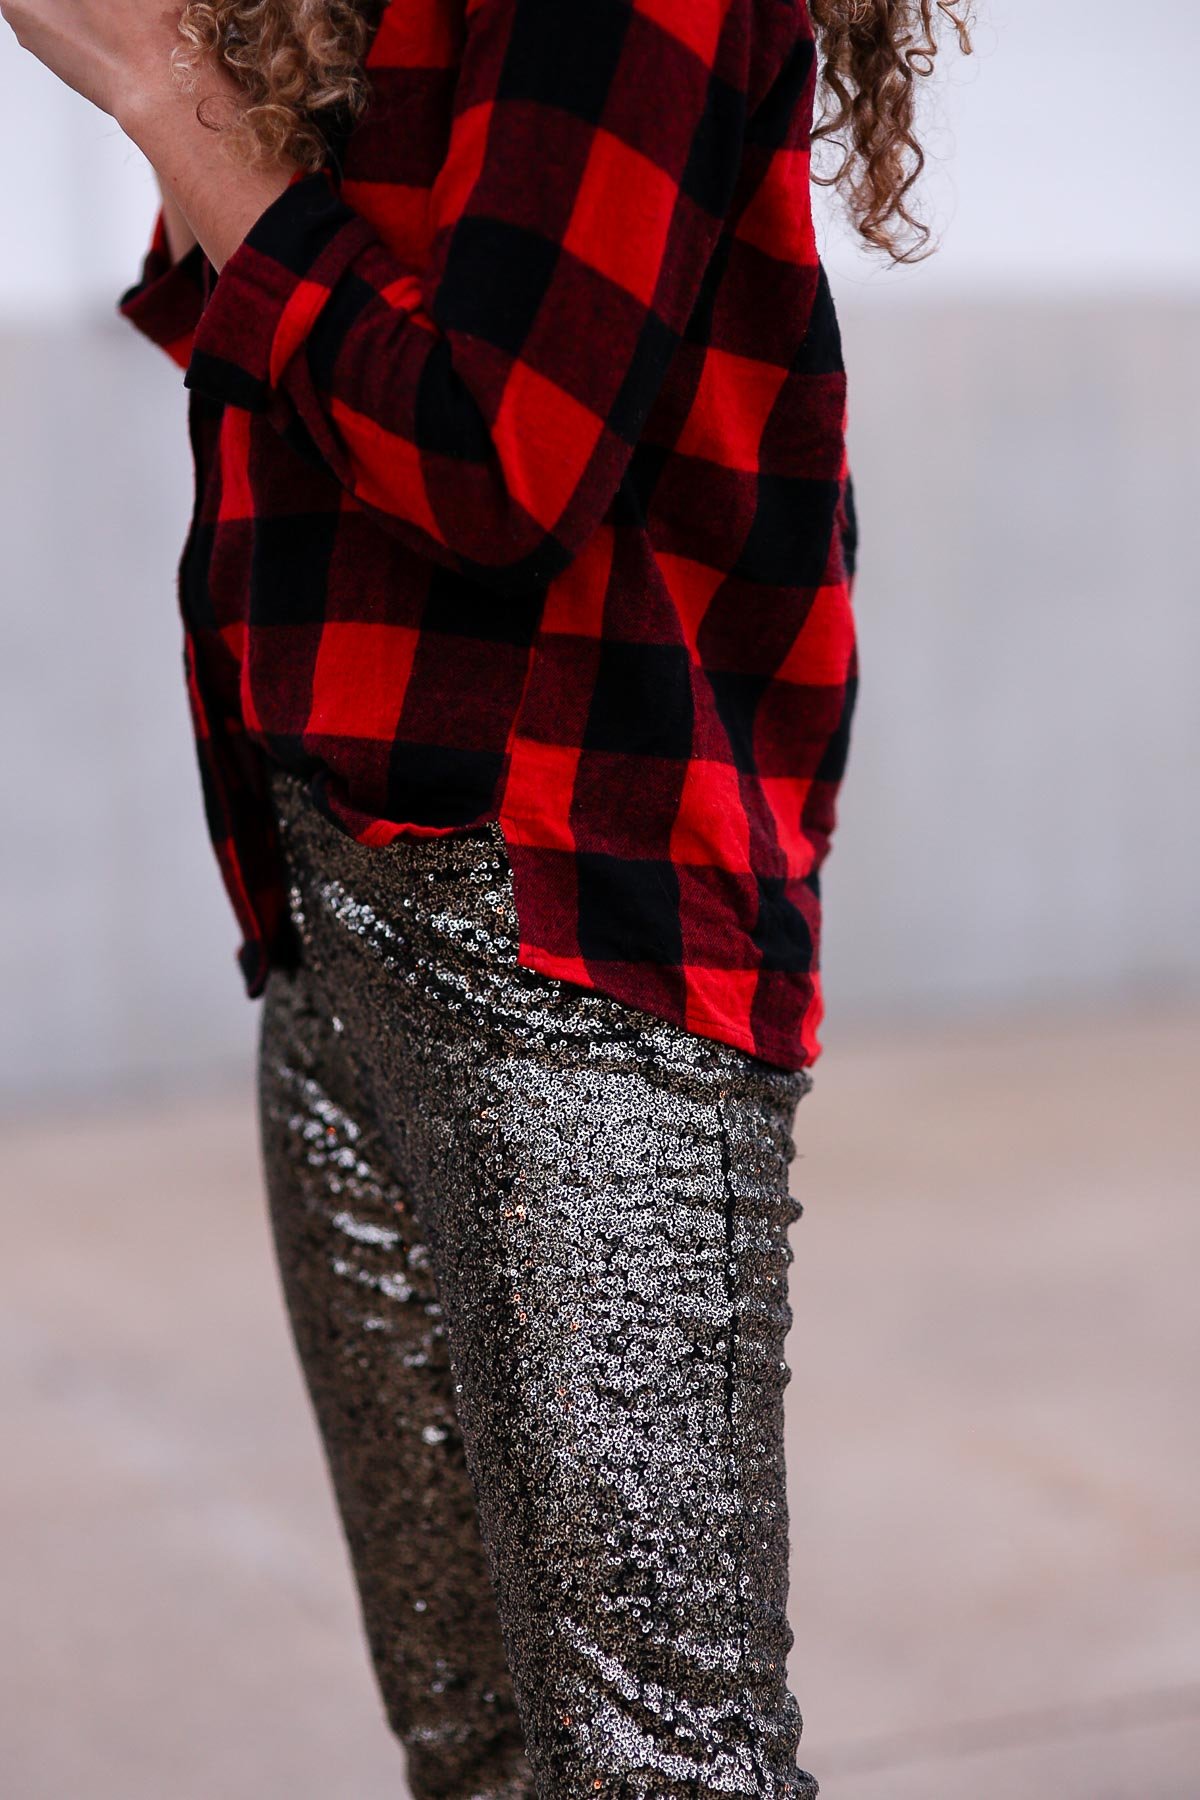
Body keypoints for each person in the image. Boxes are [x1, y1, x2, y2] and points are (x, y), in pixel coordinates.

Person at [3, 1, 971, 1793]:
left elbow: (499, 454)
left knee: (654, 1766)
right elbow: (227, 304)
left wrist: (170, 90)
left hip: (568, 938)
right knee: (476, 1747)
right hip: (332, 901)